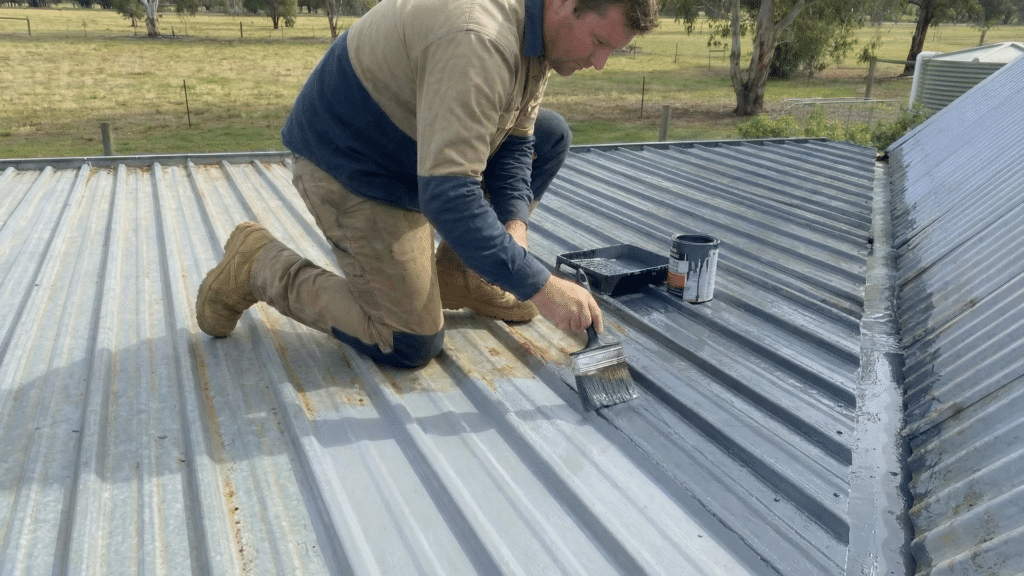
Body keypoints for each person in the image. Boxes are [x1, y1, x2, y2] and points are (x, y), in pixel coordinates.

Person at [196, 0, 659, 368]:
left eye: (611, 51)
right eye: (599, 42)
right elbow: (449, 193)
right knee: (408, 341)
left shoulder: (538, 36)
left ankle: (462, 274)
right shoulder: (480, 37)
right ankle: (256, 261)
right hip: (355, 161)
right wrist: (539, 284)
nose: (599, 62)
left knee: (551, 136)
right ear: (564, 3)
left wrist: (514, 226)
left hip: (417, 146)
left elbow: (520, 142)